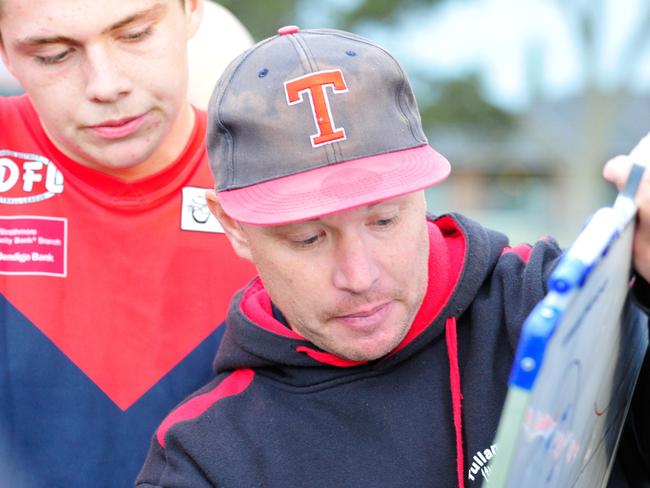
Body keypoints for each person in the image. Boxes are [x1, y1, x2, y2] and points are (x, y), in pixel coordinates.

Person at [136, 27, 650, 487]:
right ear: (234, 228)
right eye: (308, 239)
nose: (358, 276)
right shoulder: (206, 458)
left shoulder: (560, 305)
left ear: (423, 192)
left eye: (384, 221)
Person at [0, 0, 256, 486]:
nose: (106, 85)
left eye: (136, 33)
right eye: (54, 54)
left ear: (191, 10)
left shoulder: (274, 180)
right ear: (6, 54)